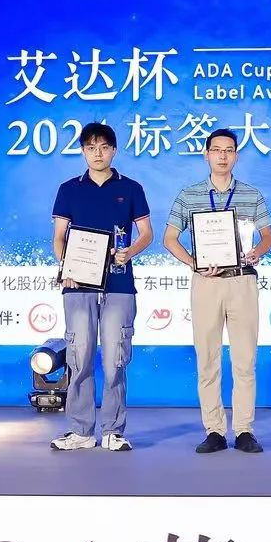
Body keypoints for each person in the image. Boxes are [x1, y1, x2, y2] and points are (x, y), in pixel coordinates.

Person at [163, 128, 271, 454]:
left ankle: (244, 430)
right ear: (206, 154)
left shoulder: (251, 195)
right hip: (206, 283)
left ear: (236, 155)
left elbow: (268, 236)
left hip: (242, 281)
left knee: (244, 360)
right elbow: (169, 238)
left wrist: (257, 251)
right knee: (207, 360)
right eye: (216, 150)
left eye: (228, 150)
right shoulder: (189, 195)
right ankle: (214, 430)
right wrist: (193, 262)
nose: (222, 156)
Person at [49, 123, 153, 452]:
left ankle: (113, 430)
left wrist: (129, 252)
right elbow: (59, 237)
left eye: (104, 147)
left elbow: (147, 234)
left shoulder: (131, 188)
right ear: (82, 151)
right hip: (78, 286)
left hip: (119, 283)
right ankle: (80, 430)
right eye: (91, 147)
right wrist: (66, 267)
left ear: (114, 150)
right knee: (79, 358)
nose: (98, 153)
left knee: (115, 359)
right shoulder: (69, 189)